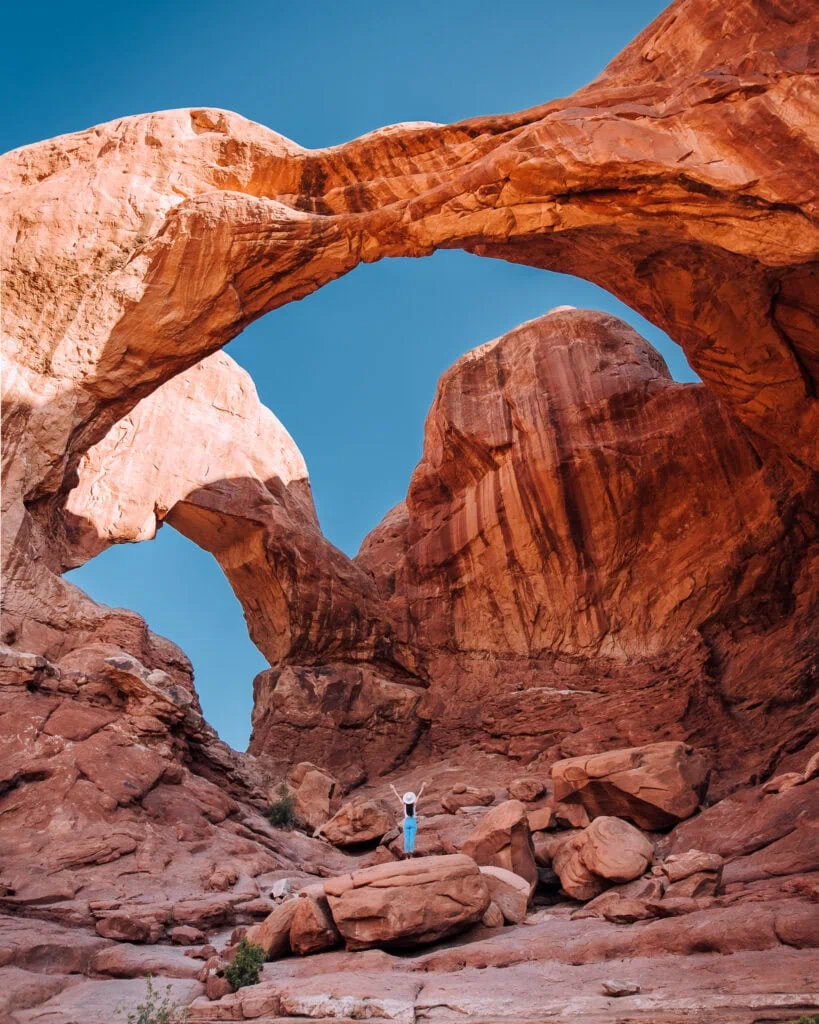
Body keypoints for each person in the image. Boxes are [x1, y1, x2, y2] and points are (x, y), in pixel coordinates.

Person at [389, 781, 427, 858]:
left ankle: (406, 856)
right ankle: (411, 855)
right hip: (413, 822)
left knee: (406, 839)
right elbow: (419, 795)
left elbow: (397, 796)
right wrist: (422, 787)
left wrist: (393, 789)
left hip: (406, 822)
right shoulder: (414, 805)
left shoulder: (404, 805)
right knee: (411, 838)